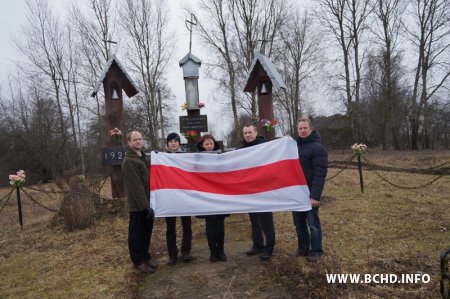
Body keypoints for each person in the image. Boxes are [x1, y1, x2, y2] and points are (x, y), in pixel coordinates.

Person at [293, 118, 328, 262]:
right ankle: (303, 248)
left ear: (311, 129)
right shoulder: (294, 147)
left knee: (313, 223)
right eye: (300, 128)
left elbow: (320, 173)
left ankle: (316, 250)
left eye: (305, 128)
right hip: (296, 193)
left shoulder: (318, 148)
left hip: (310, 193)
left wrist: (315, 196)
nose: (302, 131)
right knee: (299, 223)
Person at [122, 131, 157, 274]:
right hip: (138, 206)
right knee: (137, 234)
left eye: (140, 139)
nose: (138, 141)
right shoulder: (129, 161)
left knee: (146, 232)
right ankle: (138, 261)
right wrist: (144, 206)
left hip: (148, 203)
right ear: (129, 142)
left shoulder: (143, 157)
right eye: (135, 139)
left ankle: (145, 257)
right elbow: (136, 187)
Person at [240, 124, 276, 261]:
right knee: (254, 219)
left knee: (266, 220)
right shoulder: (241, 150)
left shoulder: (265, 148)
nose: (248, 135)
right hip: (250, 190)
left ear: (255, 133)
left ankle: (269, 247)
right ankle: (258, 244)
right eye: (245, 133)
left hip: (264, 190)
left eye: (250, 132)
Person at [196, 134, 229, 262]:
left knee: (220, 224)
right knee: (210, 225)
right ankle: (213, 252)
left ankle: (221, 250)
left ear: (214, 144)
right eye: (206, 144)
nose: (209, 146)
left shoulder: (222, 157)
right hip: (206, 196)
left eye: (211, 143)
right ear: (202, 146)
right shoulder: (197, 159)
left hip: (220, 194)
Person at [164, 132, 193, 265]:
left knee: (186, 225)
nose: (173, 143)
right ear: (167, 144)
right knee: (170, 228)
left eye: (176, 141)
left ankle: (186, 251)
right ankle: (172, 254)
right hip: (169, 198)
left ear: (179, 144)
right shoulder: (162, 158)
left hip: (184, 197)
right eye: (171, 141)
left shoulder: (185, 157)